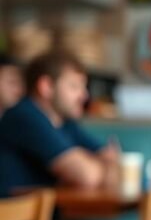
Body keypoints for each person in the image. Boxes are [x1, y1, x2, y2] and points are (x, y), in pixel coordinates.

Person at [0, 51, 120, 196]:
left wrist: (95, 166)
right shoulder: (24, 116)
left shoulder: (65, 123)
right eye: (74, 86)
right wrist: (96, 166)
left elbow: (113, 159)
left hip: (46, 215)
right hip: (15, 217)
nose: (84, 96)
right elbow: (87, 176)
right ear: (46, 86)